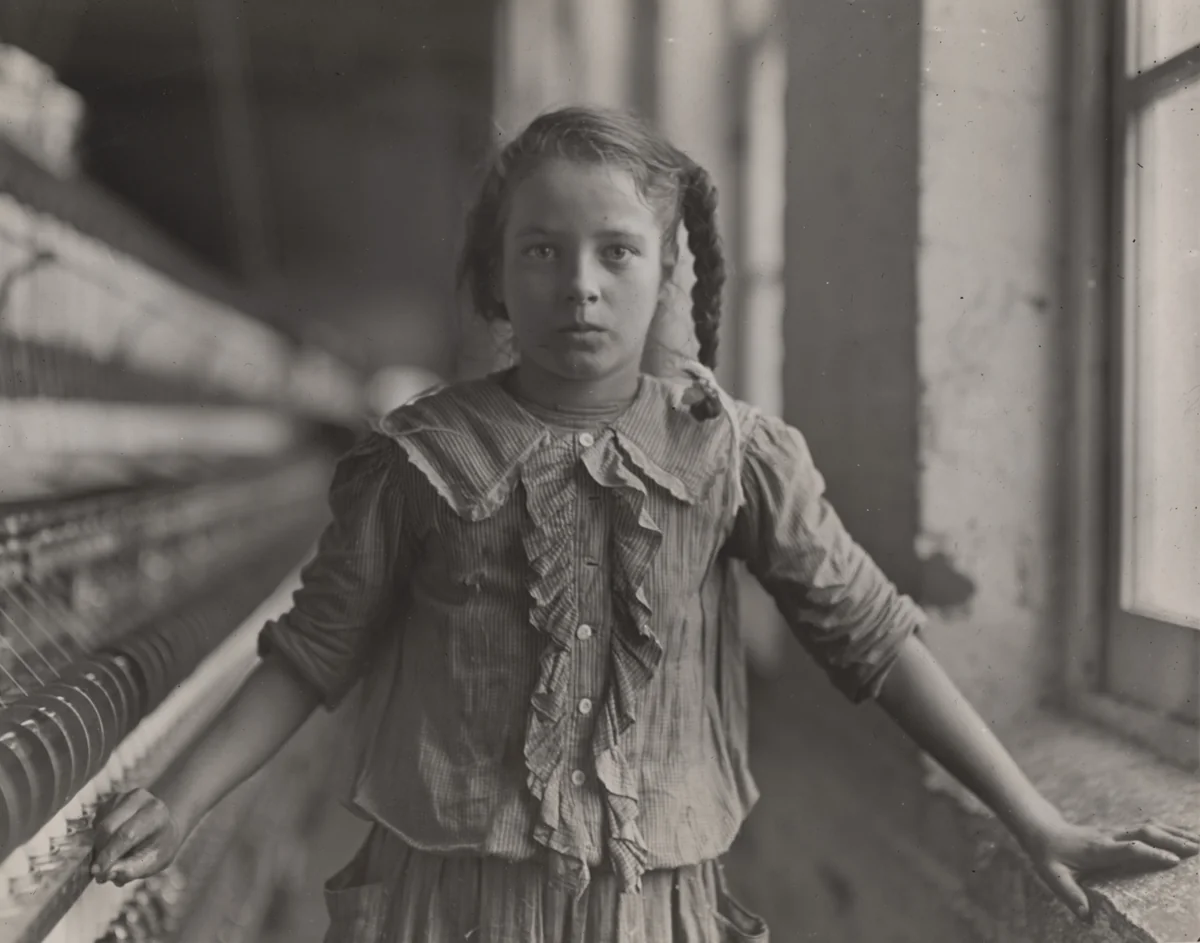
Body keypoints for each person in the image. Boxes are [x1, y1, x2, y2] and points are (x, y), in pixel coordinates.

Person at [90, 106, 1198, 942]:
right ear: (493, 276)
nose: (579, 285)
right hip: (446, 900)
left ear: (668, 272)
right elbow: (309, 653)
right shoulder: (415, 459)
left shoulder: (734, 454)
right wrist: (178, 802)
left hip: (649, 906)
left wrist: (1035, 817)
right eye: (542, 250)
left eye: (616, 252)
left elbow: (875, 638)